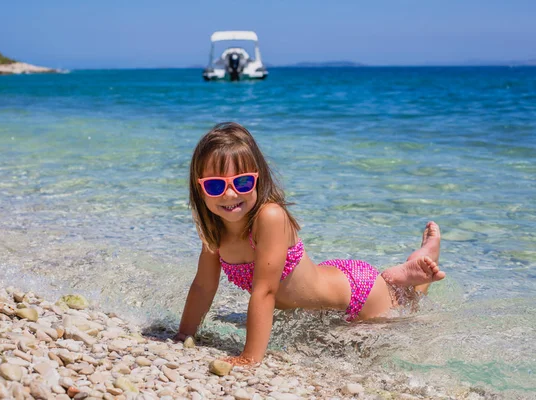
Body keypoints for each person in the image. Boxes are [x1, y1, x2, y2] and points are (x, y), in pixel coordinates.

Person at [176, 122, 445, 365]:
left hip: (358, 295)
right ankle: (395, 278)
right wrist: (184, 334)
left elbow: (265, 292)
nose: (230, 193)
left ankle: (415, 272)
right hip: (326, 284)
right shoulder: (213, 230)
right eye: (215, 186)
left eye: (243, 182)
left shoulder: (269, 217)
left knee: (408, 309)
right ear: (200, 189)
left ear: (258, 179)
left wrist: (250, 358)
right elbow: (203, 285)